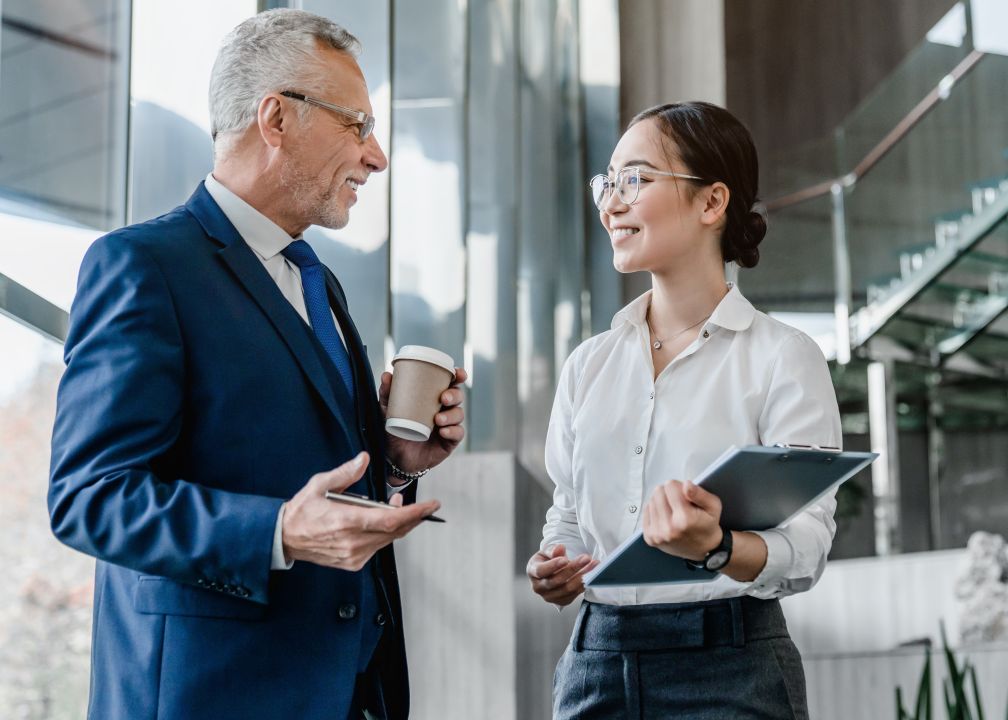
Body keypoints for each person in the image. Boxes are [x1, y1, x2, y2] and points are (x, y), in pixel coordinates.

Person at [47, 10, 464, 719]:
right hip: (211, 696)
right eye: (357, 126)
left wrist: (393, 462)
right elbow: (89, 498)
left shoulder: (317, 282)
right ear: (277, 118)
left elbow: (313, 476)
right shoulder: (144, 267)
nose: (377, 156)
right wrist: (277, 533)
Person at [527, 101, 841, 719]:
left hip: (730, 666)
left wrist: (717, 546)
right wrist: (553, 566)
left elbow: (807, 546)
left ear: (711, 202)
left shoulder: (783, 357)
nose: (611, 202)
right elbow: (567, 515)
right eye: (607, 181)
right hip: (596, 659)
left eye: (635, 179)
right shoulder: (587, 365)